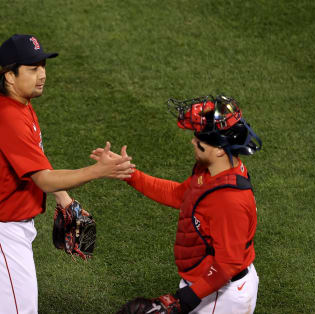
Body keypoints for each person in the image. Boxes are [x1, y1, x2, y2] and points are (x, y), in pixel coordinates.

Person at [0, 34, 134, 314]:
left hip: (0, 223)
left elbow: (33, 162)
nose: (42, 75)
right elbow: (42, 177)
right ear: (10, 76)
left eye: (43, 66)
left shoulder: (14, 104)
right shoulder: (10, 117)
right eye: (32, 69)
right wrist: (98, 170)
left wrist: (63, 198)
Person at [92, 95, 262, 314]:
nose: (193, 141)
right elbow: (178, 195)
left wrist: (184, 299)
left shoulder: (229, 200)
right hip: (209, 286)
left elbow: (228, 264)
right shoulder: (212, 172)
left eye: (200, 138)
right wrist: (129, 174)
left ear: (220, 148)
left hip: (221, 295)